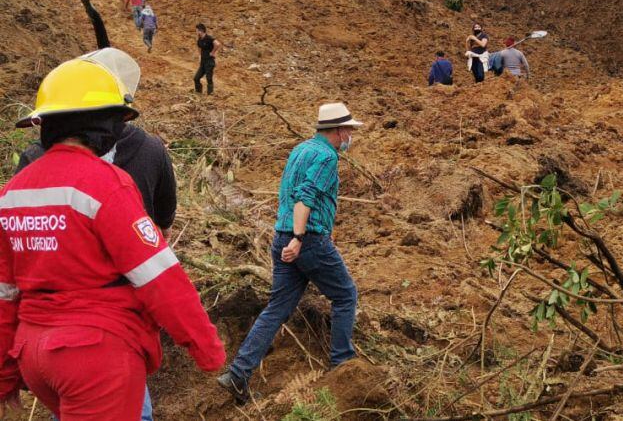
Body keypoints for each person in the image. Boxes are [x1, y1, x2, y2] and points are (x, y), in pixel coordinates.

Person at [0, 49, 225, 419]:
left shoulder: (13, 192)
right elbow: (159, 276)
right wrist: (207, 348)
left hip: (35, 353)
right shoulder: (105, 185)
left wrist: (7, 373)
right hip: (95, 352)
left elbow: (7, 294)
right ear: (103, 124)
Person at [218, 103, 361, 404]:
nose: (350, 135)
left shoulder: (301, 149)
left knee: (278, 307)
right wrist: (299, 238)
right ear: (336, 131)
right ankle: (343, 365)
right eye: (348, 129)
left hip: (280, 236)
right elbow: (303, 198)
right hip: (306, 239)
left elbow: (288, 193)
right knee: (345, 295)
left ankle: (238, 374)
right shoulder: (326, 157)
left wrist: (290, 237)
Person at [194, 23, 221, 95]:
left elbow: (217, 44)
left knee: (209, 79)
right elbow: (199, 48)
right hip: (203, 62)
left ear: (201, 31)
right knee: (196, 78)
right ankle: (198, 93)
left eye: (196, 30)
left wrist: (212, 52)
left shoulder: (208, 38)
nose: (196, 32)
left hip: (209, 62)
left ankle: (210, 95)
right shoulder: (199, 40)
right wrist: (200, 56)